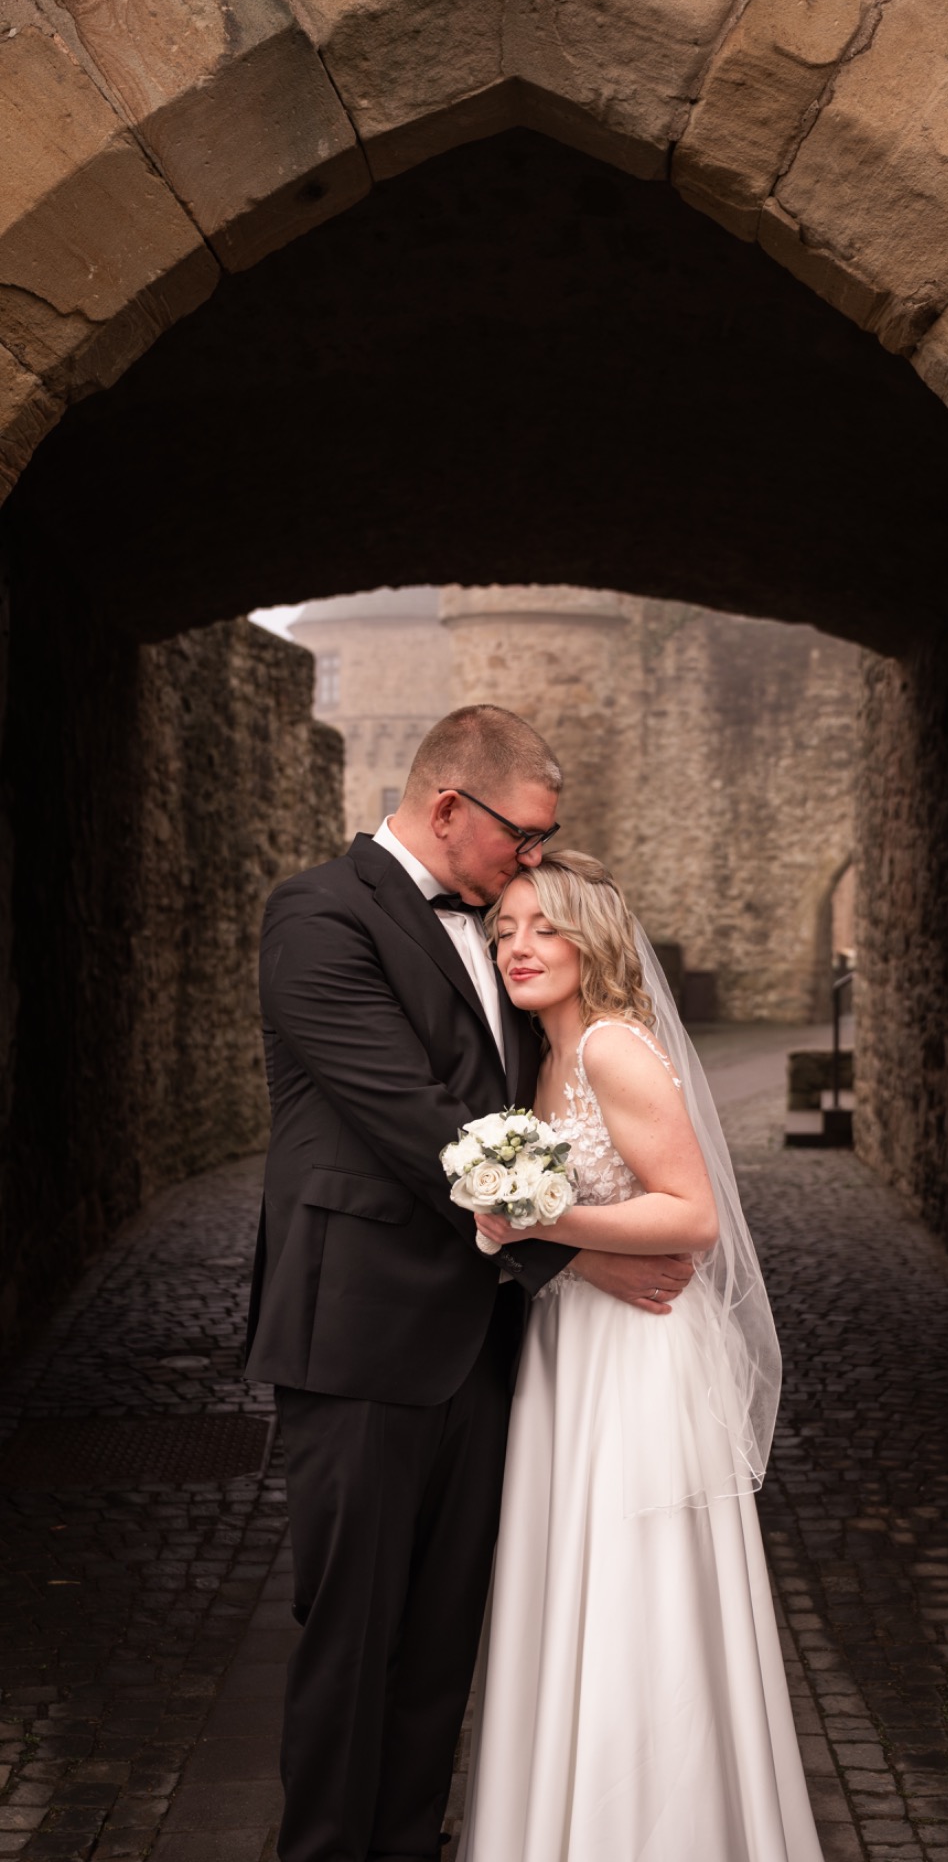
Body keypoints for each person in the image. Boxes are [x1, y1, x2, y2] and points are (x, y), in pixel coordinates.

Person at [244, 708, 694, 1862]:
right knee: (351, 1637)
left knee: (443, 1638)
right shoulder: (318, 914)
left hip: (485, 1343)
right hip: (359, 1335)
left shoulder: (505, 928)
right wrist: (579, 1249)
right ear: (449, 805)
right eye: (523, 833)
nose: (533, 855)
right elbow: (419, 1124)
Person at [457, 850, 824, 1862]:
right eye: (504, 930)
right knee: (565, 1576)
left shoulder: (612, 1047)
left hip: (636, 1354)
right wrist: (539, 1232)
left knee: (635, 1590)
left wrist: (535, 1218)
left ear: (591, 939)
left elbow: (692, 1214)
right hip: (570, 1342)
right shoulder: (538, 1059)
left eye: (544, 926)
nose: (519, 947)